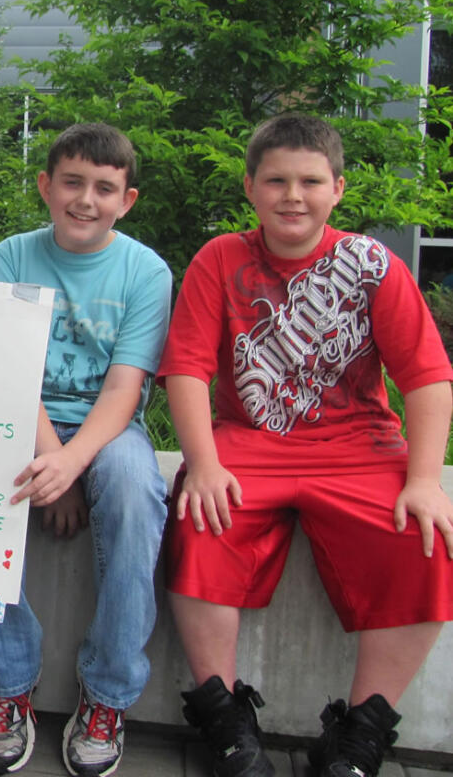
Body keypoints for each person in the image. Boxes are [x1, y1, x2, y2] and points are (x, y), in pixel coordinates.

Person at [158, 114, 453, 777]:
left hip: (359, 447)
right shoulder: (220, 259)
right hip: (250, 444)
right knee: (199, 519)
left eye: (310, 181)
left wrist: (425, 480)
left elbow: (428, 378)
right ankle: (224, 716)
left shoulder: (373, 266)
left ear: (338, 189)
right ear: (251, 188)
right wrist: (202, 464)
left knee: (424, 540)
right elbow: (186, 367)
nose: (293, 194)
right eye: (277, 180)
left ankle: (361, 733)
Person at [0, 123, 171, 775]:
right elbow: (12, 370)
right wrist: (52, 461)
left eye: (104, 189)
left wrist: (72, 465)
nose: (86, 199)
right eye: (73, 183)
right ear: (45, 186)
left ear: (127, 200)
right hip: (18, 417)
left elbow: (124, 387)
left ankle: (107, 694)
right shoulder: (11, 257)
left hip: (107, 430)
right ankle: (6, 684)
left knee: (138, 492)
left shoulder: (146, 271)